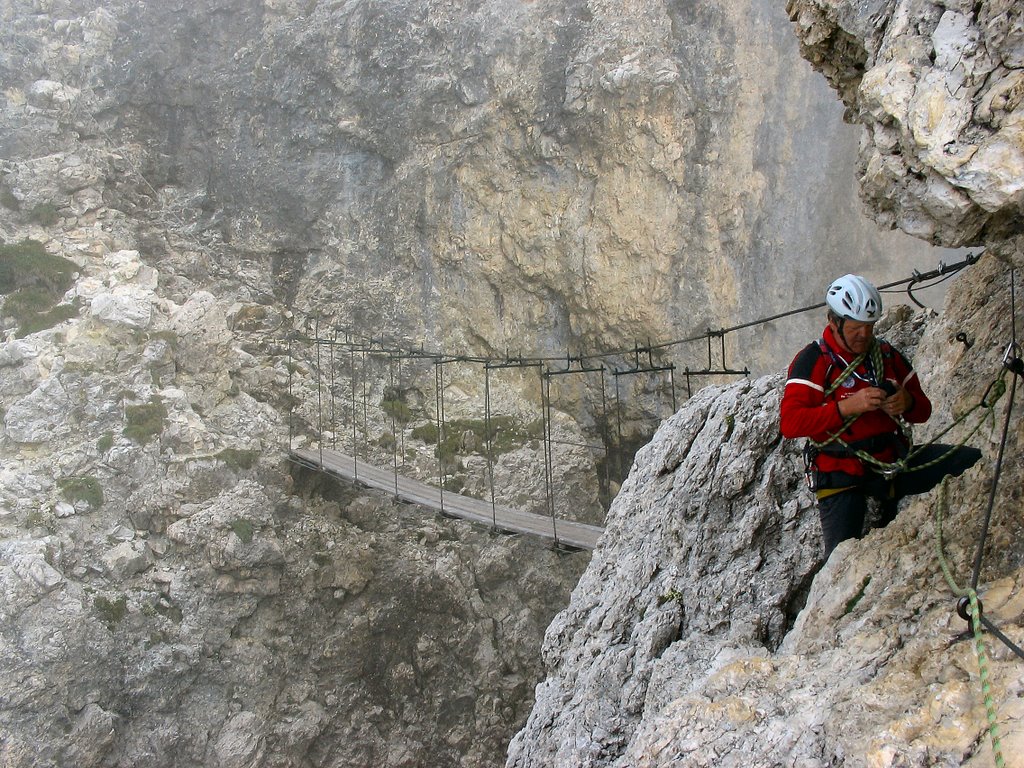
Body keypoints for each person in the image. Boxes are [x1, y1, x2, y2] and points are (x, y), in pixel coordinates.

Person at [780, 273, 981, 558]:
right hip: (841, 474)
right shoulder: (814, 360)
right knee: (839, 560)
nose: (864, 335)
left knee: (970, 460)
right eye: (855, 328)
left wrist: (906, 402)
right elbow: (791, 423)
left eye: (869, 327)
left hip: (892, 462)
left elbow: (923, 411)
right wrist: (849, 406)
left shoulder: (886, 355)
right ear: (834, 322)